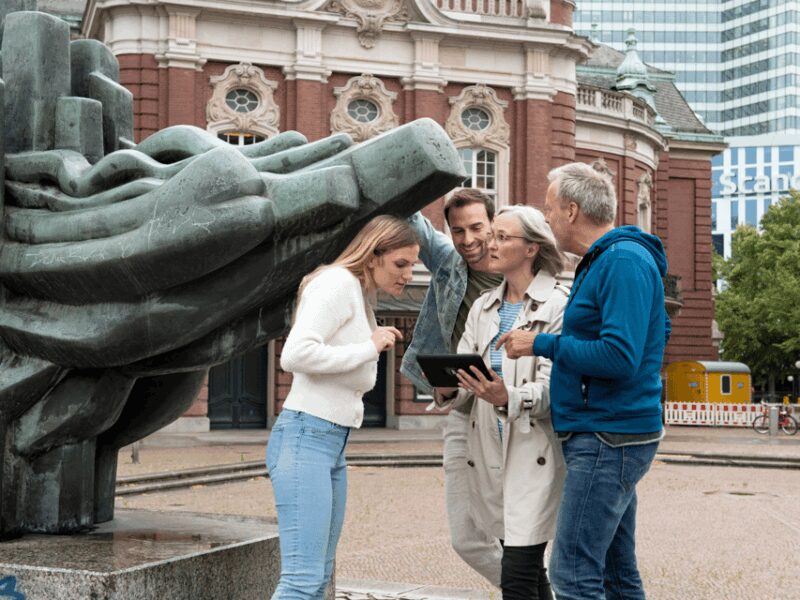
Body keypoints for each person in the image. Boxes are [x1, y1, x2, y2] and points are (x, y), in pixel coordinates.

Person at [497, 162, 670, 600]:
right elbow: (657, 331)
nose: (547, 216)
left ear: (571, 211)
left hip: (608, 437)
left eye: (550, 207)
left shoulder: (621, 260)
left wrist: (542, 344)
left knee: (573, 572)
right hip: (611, 431)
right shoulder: (609, 261)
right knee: (615, 570)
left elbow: (619, 356)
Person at [267, 215, 419, 599]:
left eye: (413, 266)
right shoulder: (337, 283)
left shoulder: (359, 295)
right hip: (306, 438)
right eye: (400, 264)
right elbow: (295, 353)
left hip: (330, 444)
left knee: (319, 577)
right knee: (302, 579)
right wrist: (369, 347)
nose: (407, 274)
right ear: (373, 256)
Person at [434, 205, 568, 600]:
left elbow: (554, 390)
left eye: (502, 237)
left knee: (518, 572)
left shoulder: (559, 305)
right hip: (488, 449)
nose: (490, 243)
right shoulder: (483, 307)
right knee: (522, 568)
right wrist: (448, 389)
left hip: (533, 450)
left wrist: (508, 396)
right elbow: (466, 381)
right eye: (493, 235)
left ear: (531, 249)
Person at [401, 189, 504, 586]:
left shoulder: (521, 268)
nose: (468, 240)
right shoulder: (448, 260)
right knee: (466, 537)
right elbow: (414, 223)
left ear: (493, 224)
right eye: (458, 230)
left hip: (516, 409)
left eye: (477, 227)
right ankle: (533, 590)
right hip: (465, 410)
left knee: (522, 532)